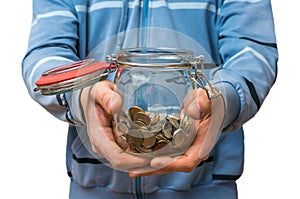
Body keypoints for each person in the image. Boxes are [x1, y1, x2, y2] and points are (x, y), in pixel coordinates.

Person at [22, 0, 278, 198]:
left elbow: (254, 52)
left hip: (207, 185)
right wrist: (81, 96)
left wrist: (223, 100)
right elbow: (45, 56)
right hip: (93, 185)